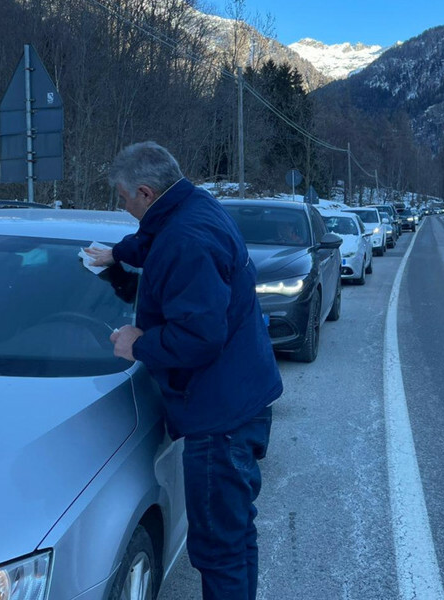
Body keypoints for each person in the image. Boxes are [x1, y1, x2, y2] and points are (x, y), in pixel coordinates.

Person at [84, 141, 282, 600]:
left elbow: (200, 336)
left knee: (218, 548)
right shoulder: (191, 206)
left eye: (124, 197)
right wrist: (118, 254)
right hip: (238, 397)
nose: (123, 206)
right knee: (234, 537)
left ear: (147, 193)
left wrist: (140, 343)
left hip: (221, 421)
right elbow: (153, 237)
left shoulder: (186, 241)